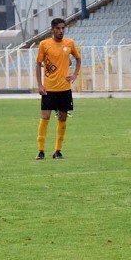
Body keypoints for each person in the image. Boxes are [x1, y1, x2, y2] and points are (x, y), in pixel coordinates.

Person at [35, 18, 81, 160]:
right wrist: (39, 85)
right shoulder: (44, 44)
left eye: (63, 28)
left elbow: (78, 59)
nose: (61, 31)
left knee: (62, 117)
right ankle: (41, 150)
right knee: (45, 117)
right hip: (49, 89)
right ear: (52, 29)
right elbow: (38, 64)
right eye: (58, 28)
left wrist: (74, 75)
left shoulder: (70, 43)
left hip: (64, 89)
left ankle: (58, 151)